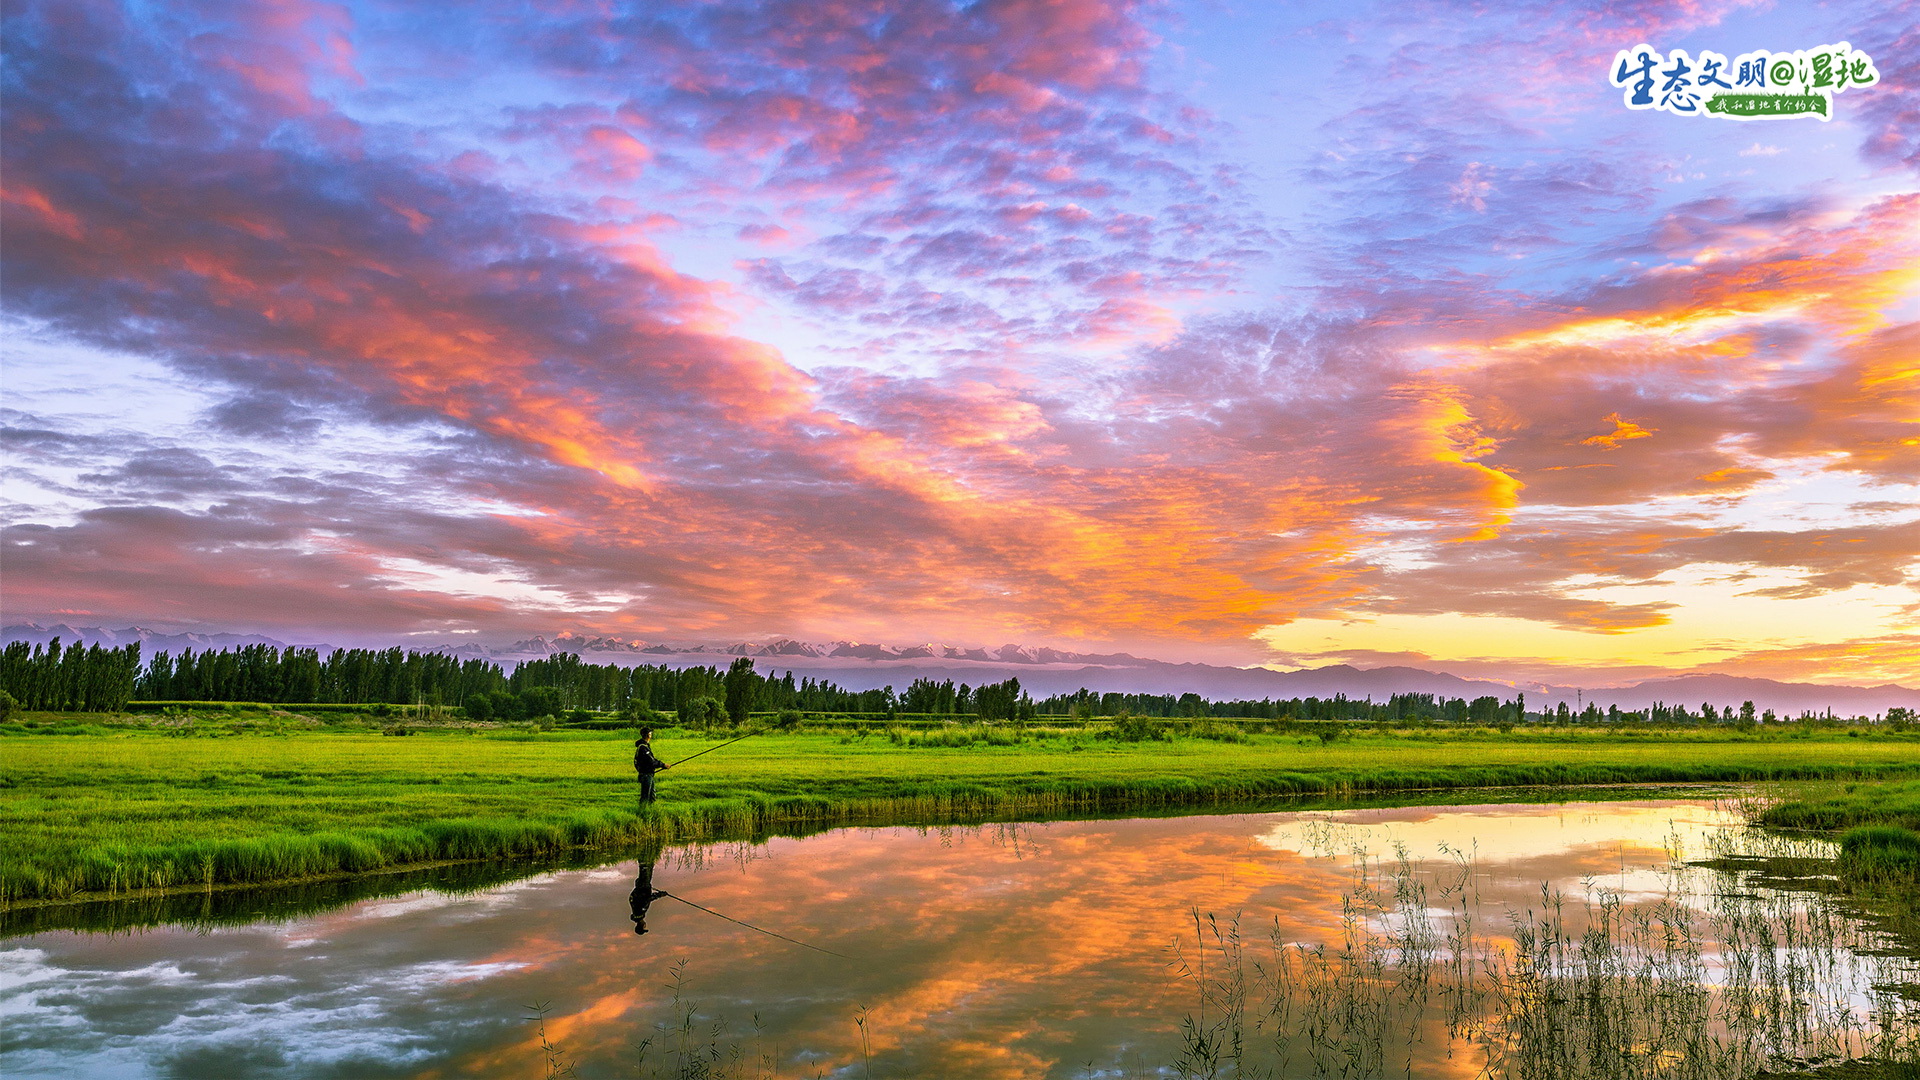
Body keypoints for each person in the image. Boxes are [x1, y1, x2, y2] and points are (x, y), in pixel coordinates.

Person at [628, 848, 668, 935]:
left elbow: (648, 898)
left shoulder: (640, 911)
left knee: (646, 866)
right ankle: (648, 850)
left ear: (641, 926)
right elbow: (631, 897)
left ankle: (644, 850)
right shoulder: (636, 912)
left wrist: (661, 894)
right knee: (646, 866)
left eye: (644, 927)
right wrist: (639, 888)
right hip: (642, 885)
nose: (645, 925)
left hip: (643, 885)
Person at [633, 727, 668, 803]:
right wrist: (663, 765)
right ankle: (643, 811)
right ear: (647, 735)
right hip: (646, 775)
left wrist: (663, 765)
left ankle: (649, 810)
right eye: (650, 733)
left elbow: (652, 759)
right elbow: (651, 762)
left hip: (649, 774)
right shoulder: (643, 748)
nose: (651, 735)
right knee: (645, 797)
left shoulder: (645, 746)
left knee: (652, 797)